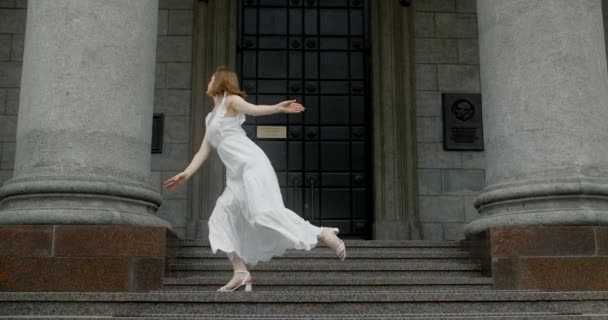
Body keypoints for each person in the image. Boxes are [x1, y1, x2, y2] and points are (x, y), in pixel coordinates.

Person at [163, 65, 347, 292]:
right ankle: (240, 272)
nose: (208, 82)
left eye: (212, 78)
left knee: (264, 213)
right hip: (236, 177)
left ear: (220, 81)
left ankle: (321, 232)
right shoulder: (210, 117)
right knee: (220, 219)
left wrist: (278, 107)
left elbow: (254, 109)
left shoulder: (231, 101)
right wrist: (186, 173)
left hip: (253, 165)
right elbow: (203, 150)